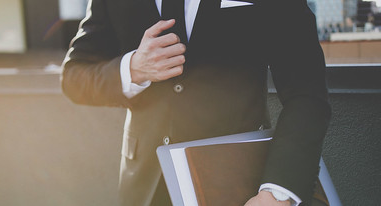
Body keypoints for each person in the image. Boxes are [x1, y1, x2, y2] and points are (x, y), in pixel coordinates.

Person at [61, 0, 331, 205]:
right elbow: (74, 77)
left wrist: (277, 192)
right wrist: (133, 69)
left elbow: (307, 93)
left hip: (239, 187)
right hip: (144, 189)